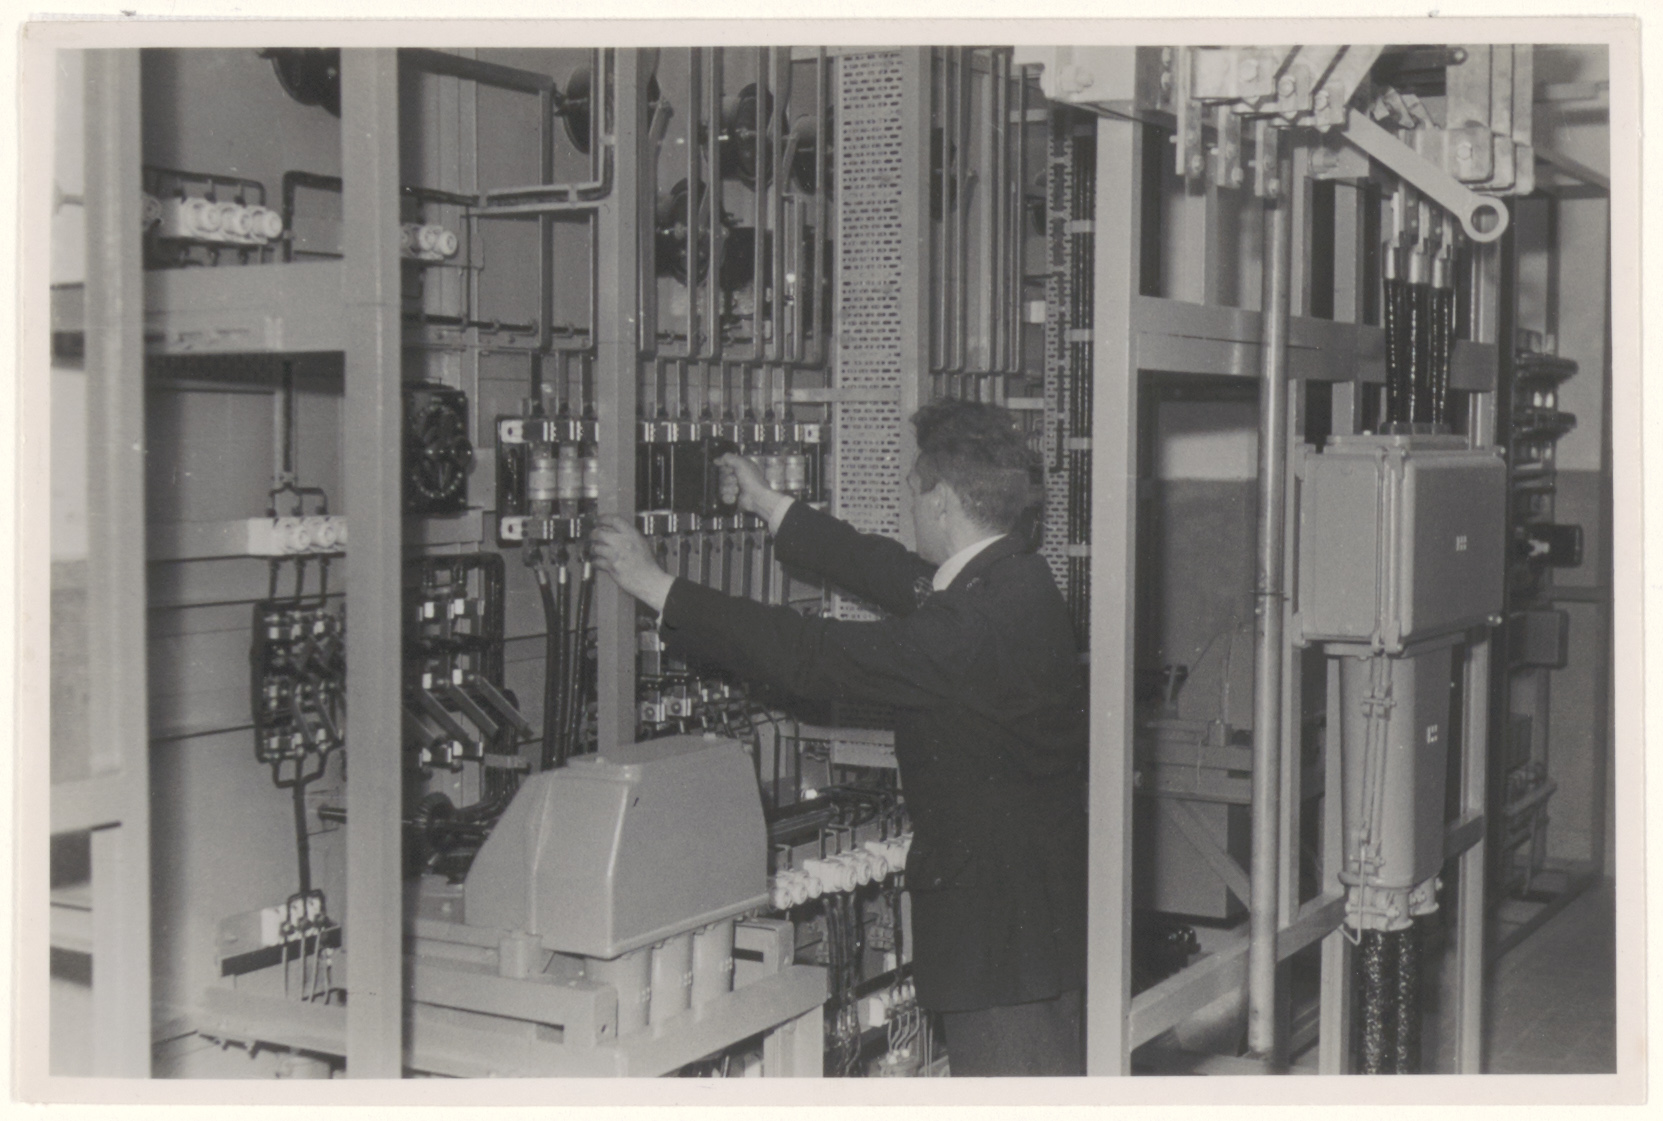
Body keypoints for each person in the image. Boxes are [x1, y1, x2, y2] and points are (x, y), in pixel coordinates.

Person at [590, 399, 1088, 1076]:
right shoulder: (1015, 580)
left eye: (913, 493)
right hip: (1032, 923)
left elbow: (812, 653)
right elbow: (890, 570)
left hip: (1001, 953)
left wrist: (657, 586)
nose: (909, 507)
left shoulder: (968, 630)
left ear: (942, 501)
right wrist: (773, 507)